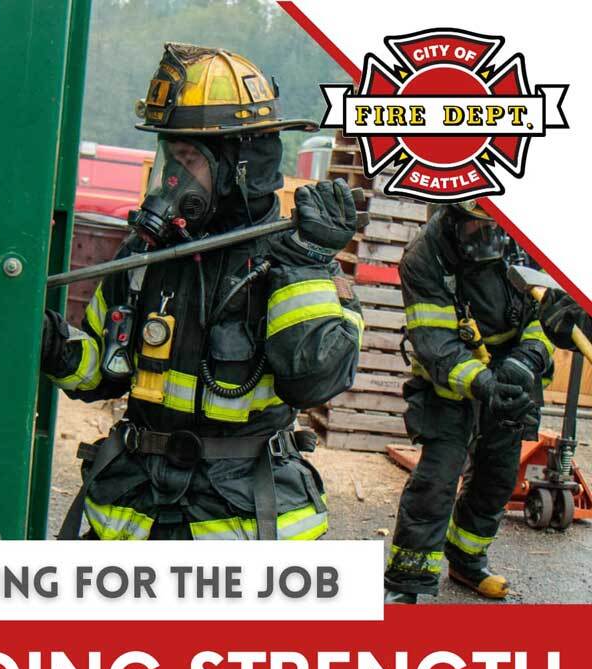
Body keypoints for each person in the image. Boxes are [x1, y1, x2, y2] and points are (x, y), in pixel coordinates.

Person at [41, 43, 364, 541]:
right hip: (136, 510)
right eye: (168, 156)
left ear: (240, 166)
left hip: (240, 521)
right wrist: (52, 344)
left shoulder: (291, 259)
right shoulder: (145, 258)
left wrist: (308, 264)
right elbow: (100, 373)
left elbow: (315, 381)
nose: (171, 177)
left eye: (188, 158)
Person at [385, 201, 555, 603]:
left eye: (493, 228)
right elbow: (436, 345)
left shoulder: (529, 240)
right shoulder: (424, 258)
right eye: (474, 228)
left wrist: (526, 360)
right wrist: (484, 385)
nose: (484, 238)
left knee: (497, 474)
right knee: (436, 479)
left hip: (514, 369)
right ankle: (407, 582)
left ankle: (467, 560)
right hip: (450, 378)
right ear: (452, 217)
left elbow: (550, 314)